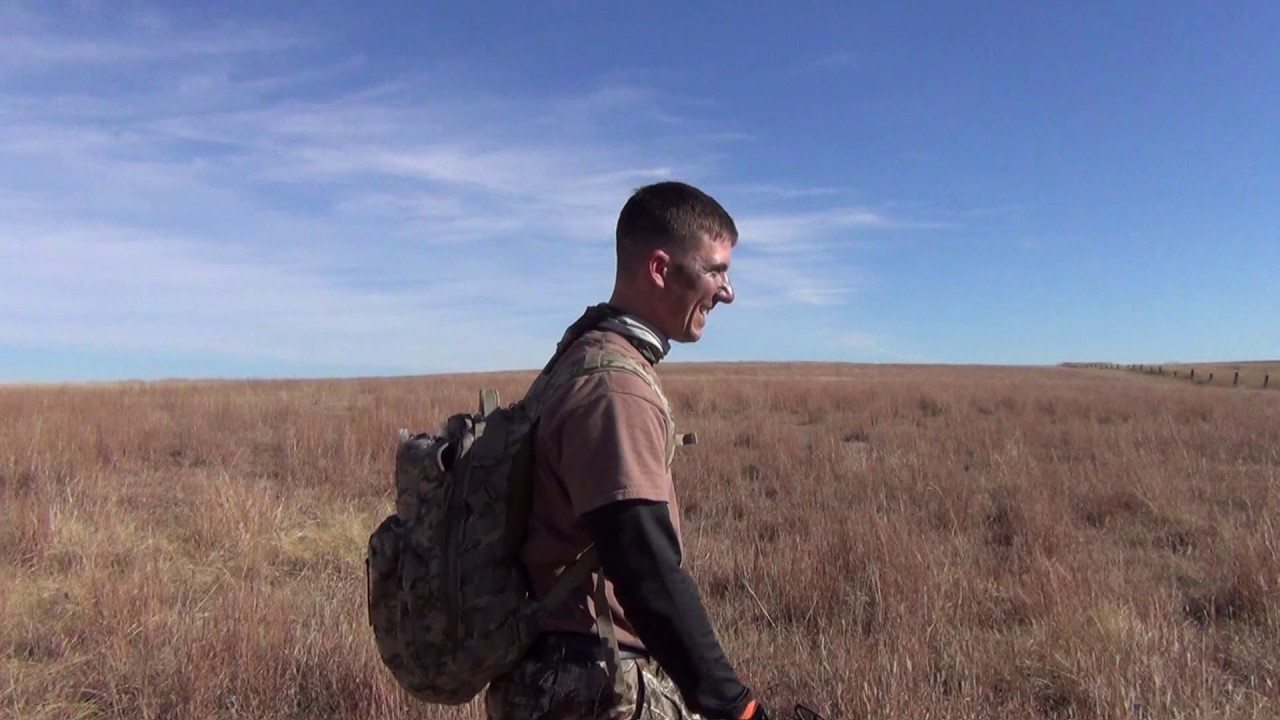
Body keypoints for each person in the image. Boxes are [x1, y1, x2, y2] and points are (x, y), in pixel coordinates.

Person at [485, 181, 769, 720]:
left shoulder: (583, 353)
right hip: (588, 684)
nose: (727, 292)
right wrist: (736, 707)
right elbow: (646, 570)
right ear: (660, 269)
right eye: (716, 271)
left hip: (553, 676)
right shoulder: (615, 388)